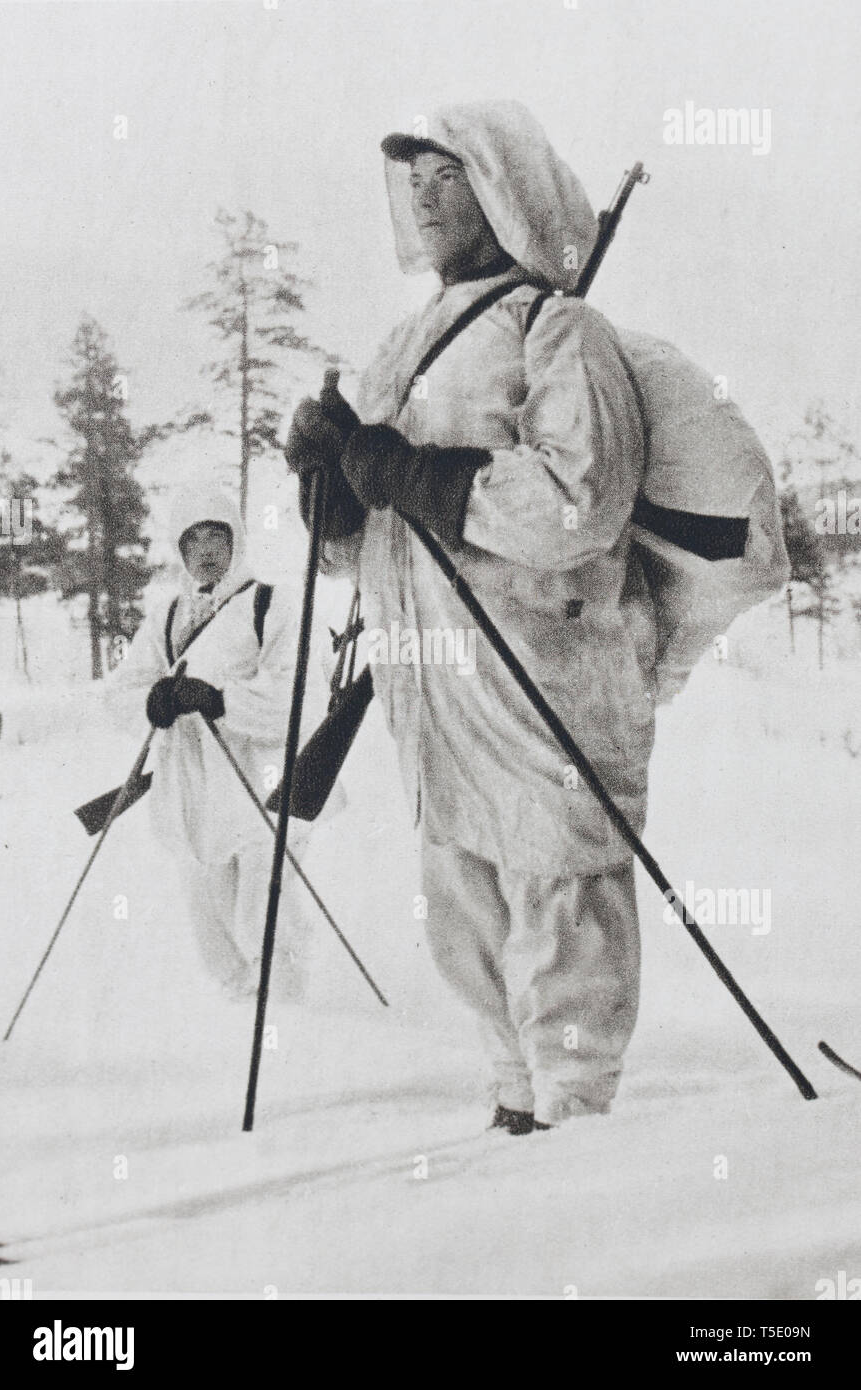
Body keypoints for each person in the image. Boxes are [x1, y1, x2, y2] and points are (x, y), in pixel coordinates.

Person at [286, 100, 657, 1133]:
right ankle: (510, 1098)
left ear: (504, 187)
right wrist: (332, 490)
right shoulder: (400, 346)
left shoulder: (559, 328)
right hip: (432, 678)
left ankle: (576, 1118)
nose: (422, 191)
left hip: (540, 667)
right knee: (464, 889)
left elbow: (582, 502)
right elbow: (371, 544)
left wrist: (416, 472)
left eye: (447, 172)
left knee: (558, 880)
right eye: (411, 174)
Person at [109, 481, 313, 1000]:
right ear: (180, 549)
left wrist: (221, 699)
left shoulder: (270, 604)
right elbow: (121, 693)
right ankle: (238, 1018)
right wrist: (152, 700)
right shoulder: (168, 615)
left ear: (236, 540)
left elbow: (297, 694)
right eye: (192, 539)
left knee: (263, 916)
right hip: (192, 790)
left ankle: (286, 1017)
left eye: (216, 536)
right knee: (212, 926)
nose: (205, 550)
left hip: (258, 785)